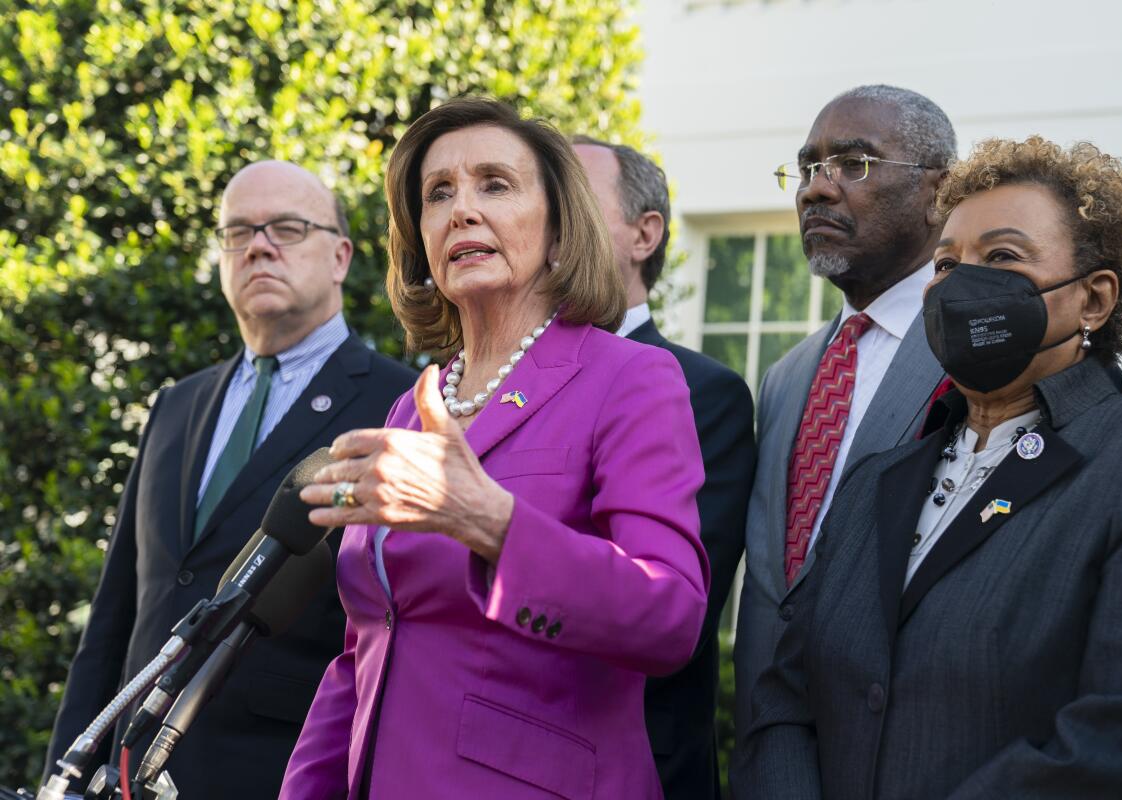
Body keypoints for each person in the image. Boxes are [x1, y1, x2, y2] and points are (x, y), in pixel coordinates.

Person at [734, 136, 1122, 799]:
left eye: (1003, 257)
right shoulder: (877, 482)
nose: (961, 286)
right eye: (947, 265)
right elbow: (785, 697)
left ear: (1093, 300)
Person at [279, 98, 710, 799]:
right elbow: (365, 644)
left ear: (561, 230)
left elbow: (669, 616)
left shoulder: (630, 377)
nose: (462, 209)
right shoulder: (410, 408)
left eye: (495, 185)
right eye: (438, 193)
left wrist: (490, 523)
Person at [43, 161, 417, 798]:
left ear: (341, 257)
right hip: (127, 774)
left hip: (280, 769)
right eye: (238, 232)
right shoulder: (175, 406)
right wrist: (66, 775)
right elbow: (116, 614)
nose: (260, 246)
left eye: (287, 229)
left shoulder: (400, 405)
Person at [733, 85, 954, 743]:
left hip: (910, 747)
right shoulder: (786, 377)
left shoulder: (978, 359)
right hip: (767, 748)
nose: (815, 190)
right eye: (806, 169)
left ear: (939, 193)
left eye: (854, 164)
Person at [573, 137, 755, 800]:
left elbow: (670, 614)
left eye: (573, 201)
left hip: (626, 768)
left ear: (644, 233)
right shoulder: (481, 388)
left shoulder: (703, 393)